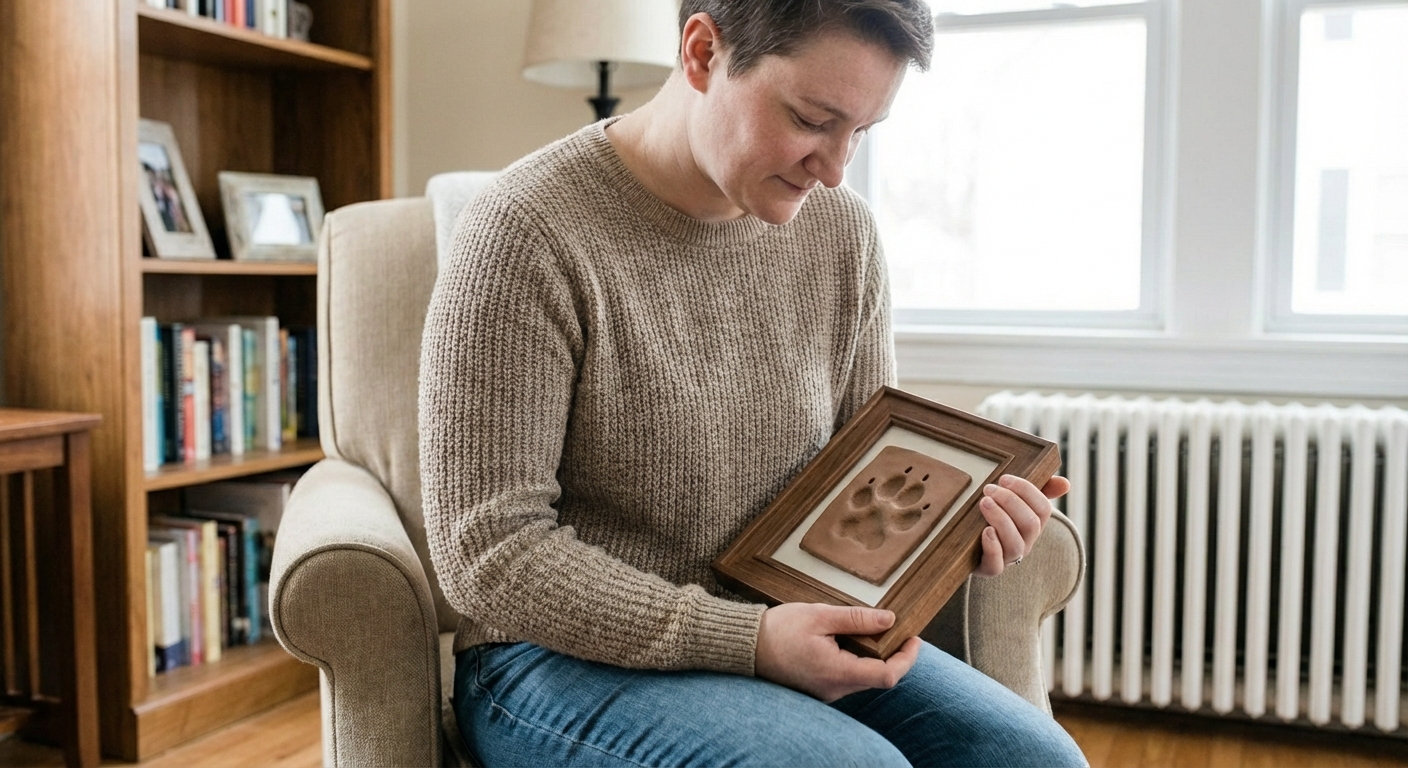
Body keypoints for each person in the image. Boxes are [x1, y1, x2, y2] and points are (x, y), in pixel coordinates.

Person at [419, 1, 1088, 765]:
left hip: (787, 624)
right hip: (549, 657)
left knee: (1040, 761)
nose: (836, 170)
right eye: (812, 120)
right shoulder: (526, 231)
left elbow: (858, 475)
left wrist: (952, 529)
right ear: (702, 52)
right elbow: (488, 552)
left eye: (862, 133)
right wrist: (749, 640)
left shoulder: (843, 233)